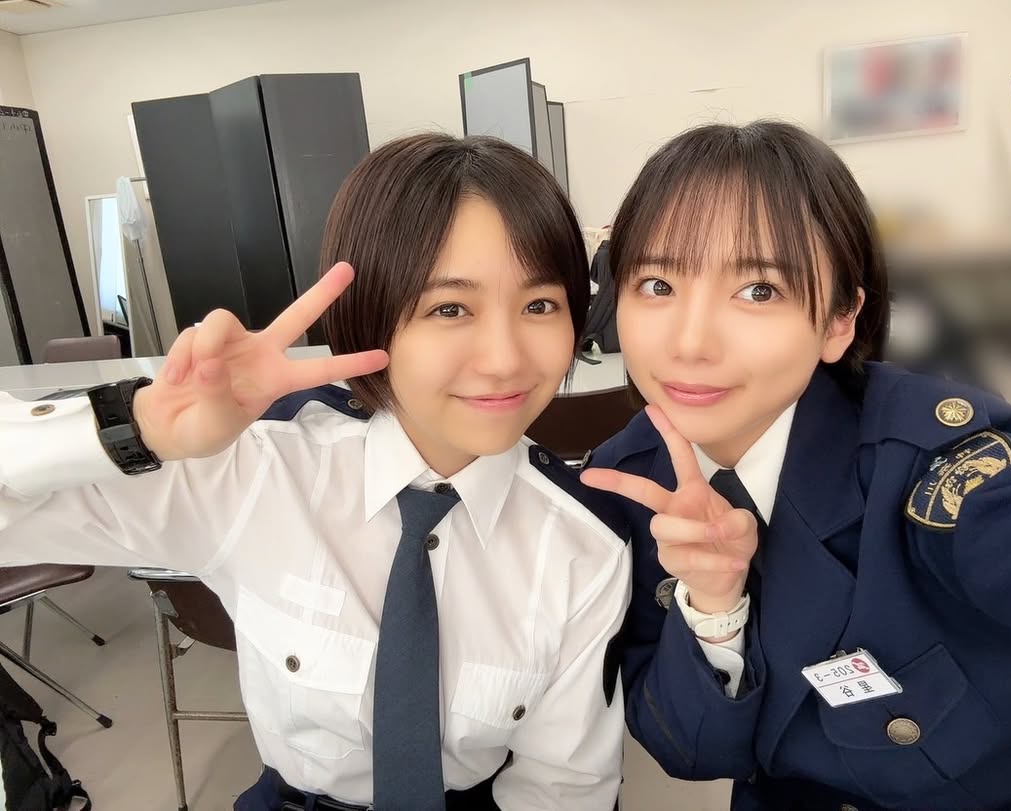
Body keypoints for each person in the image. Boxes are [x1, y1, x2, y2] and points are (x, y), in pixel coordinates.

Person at [0, 133, 631, 811]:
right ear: (370, 318)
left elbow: (563, 787)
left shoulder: (584, 546)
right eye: (450, 308)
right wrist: (140, 426)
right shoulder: (259, 472)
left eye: (540, 305)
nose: (505, 359)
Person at [583, 120, 1011, 809]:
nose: (689, 342)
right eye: (657, 284)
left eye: (759, 290)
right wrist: (714, 606)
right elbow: (692, 750)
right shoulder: (625, 484)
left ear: (839, 321)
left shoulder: (924, 457)